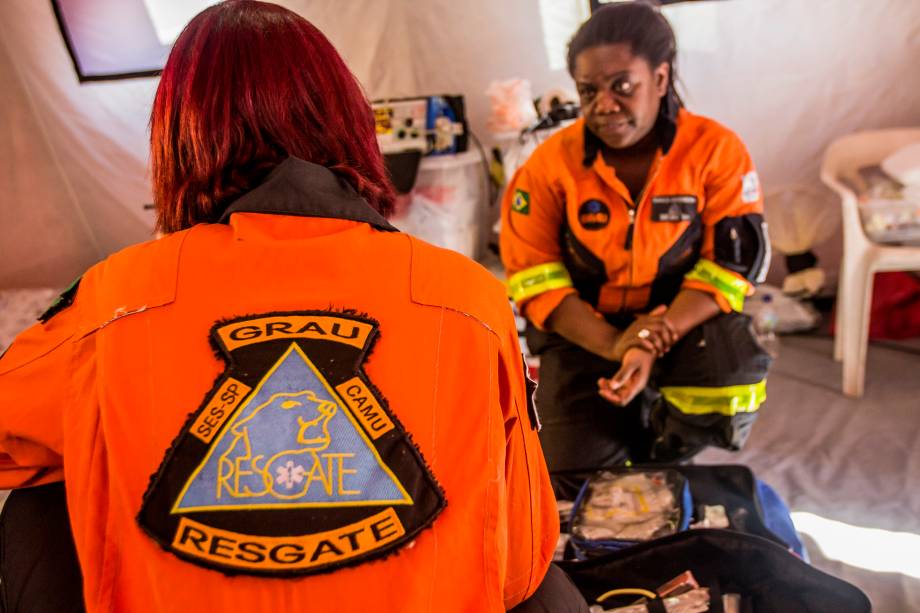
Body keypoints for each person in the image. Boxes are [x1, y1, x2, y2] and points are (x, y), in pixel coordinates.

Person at [0, 2, 586, 611]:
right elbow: (517, 561)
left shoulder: (112, 299)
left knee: (46, 492)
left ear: (179, 141)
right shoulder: (468, 295)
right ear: (353, 124)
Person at [500, 2, 772, 480]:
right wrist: (615, 344)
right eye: (589, 90)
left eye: (622, 86)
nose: (604, 104)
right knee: (569, 477)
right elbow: (533, 279)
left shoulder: (716, 151)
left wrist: (650, 340)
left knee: (730, 360)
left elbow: (729, 267)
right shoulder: (547, 167)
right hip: (587, 333)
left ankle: (668, 446)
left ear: (661, 79)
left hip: (681, 327)